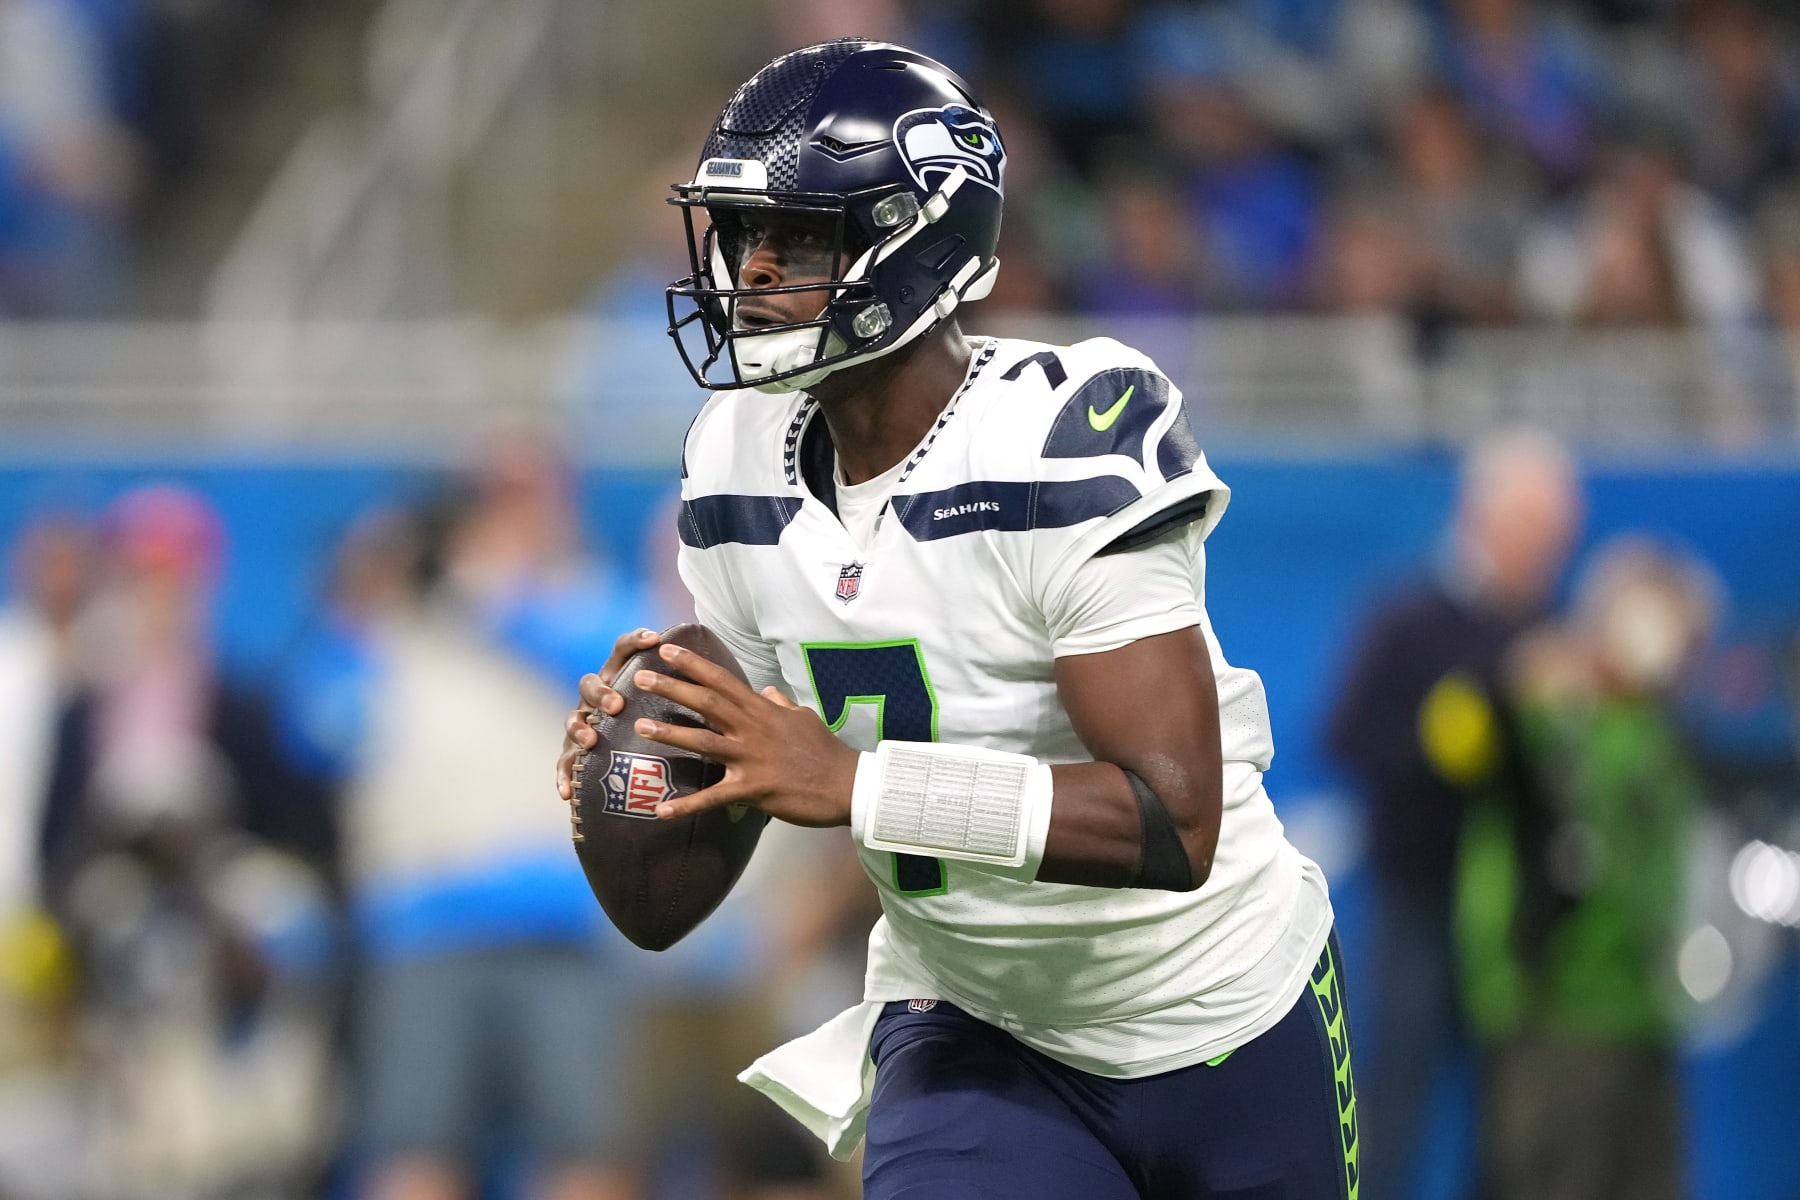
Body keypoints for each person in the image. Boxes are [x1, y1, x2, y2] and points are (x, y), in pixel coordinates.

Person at [557, 40, 1354, 1200]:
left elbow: (1174, 817)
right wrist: (642, 769)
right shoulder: (733, 466)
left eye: (799, 237)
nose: (752, 273)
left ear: (915, 237)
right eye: (743, 237)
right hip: (976, 1028)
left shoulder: (1061, 440)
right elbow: (676, 883)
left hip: (1220, 1006)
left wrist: (860, 785)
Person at [1325, 428, 1581, 1200]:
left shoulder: (1549, 631)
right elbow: (1349, 738)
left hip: (1516, 912)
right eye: (1540, 537)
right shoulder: (1410, 620)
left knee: (1515, 1113)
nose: (1550, 556)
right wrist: (1459, 732)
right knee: (1396, 1098)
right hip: (1421, 897)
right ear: (1489, 521)